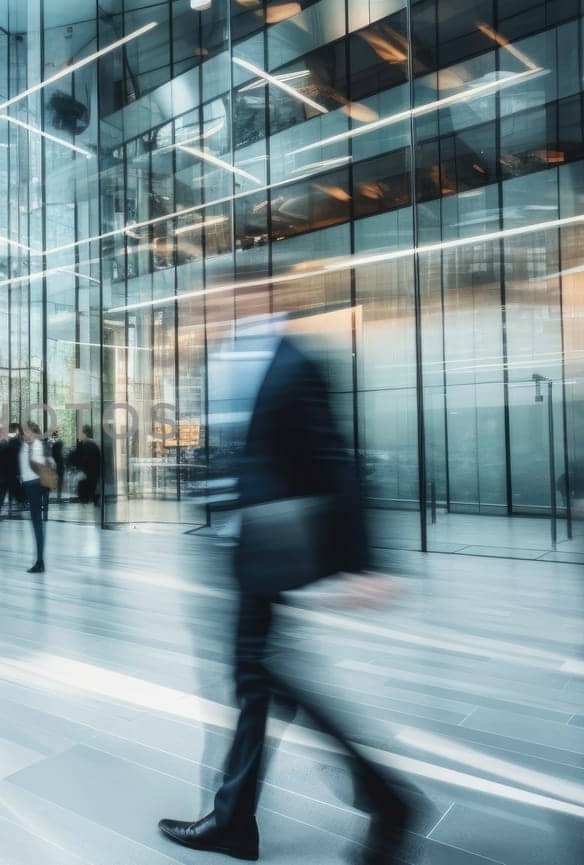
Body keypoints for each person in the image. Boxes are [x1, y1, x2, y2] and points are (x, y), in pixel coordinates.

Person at [157, 326, 413, 864]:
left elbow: (333, 456)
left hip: (272, 552)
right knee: (260, 683)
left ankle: (383, 797)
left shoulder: (293, 361)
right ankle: (237, 820)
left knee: (263, 679)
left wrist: (364, 562)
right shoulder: (232, 361)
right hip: (247, 548)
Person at [17, 421, 52, 573]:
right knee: (36, 524)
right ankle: (39, 560)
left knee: (37, 524)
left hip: (36, 486)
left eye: (29, 432)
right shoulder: (24, 447)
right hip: (28, 486)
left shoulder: (38, 446)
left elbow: (45, 466)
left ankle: (40, 561)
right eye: (24, 432)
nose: (26, 435)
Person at [71, 425, 101, 506]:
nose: (79, 435)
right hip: (93, 473)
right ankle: (93, 498)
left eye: (80, 433)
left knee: (80, 484)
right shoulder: (94, 444)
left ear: (85, 434)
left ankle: (88, 499)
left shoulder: (87, 445)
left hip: (88, 473)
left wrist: (81, 468)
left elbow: (85, 460)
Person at [48, 428, 66, 501]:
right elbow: (62, 453)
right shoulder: (60, 442)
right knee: (60, 480)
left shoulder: (50, 442)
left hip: (53, 463)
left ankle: (49, 495)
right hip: (59, 463)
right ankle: (59, 495)